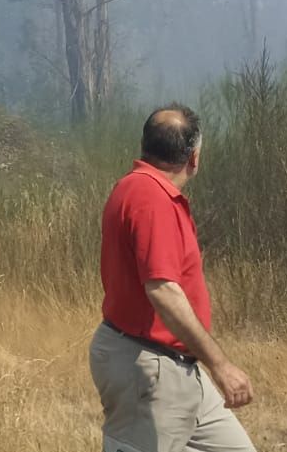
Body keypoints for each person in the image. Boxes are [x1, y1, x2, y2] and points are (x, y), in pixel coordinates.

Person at [89, 105, 256, 452]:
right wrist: (221, 365)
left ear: (145, 146)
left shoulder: (137, 189)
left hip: (178, 368)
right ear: (193, 158)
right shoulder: (151, 200)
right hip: (150, 370)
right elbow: (163, 290)